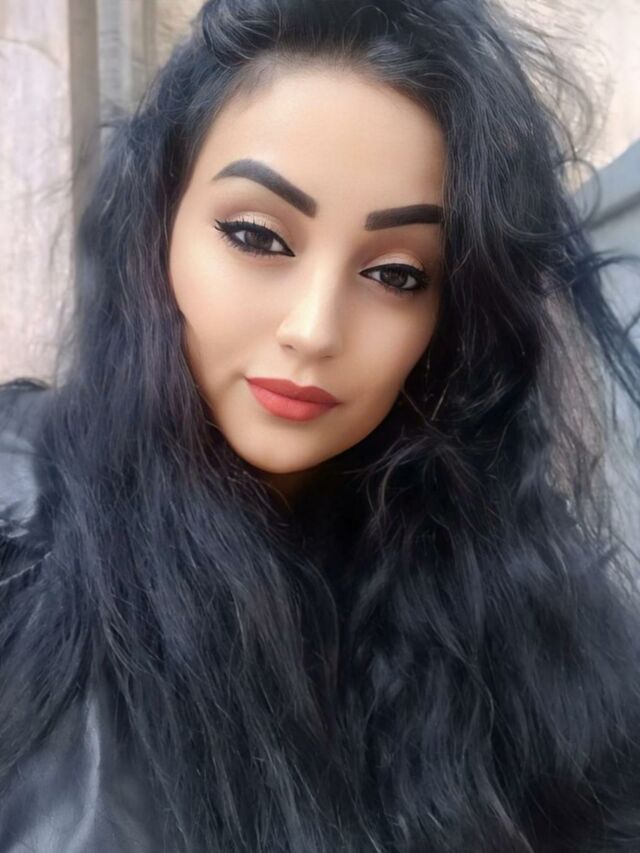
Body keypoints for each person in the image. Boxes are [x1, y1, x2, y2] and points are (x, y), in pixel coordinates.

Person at [1, 0, 639, 850]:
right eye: (257, 236)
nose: (314, 329)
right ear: (159, 227)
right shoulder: (18, 534)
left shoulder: (520, 620)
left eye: (396, 274)